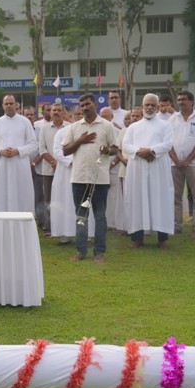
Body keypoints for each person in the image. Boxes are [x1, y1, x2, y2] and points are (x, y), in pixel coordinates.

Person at [62, 93, 118, 263]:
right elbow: (65, 151)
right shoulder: (74, 127)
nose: (85, 107)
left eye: (88, 104)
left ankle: (99, 252)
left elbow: (115, 149)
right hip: (79, 178)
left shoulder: (107, 126)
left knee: (100, 216)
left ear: (95, 104)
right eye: (82, 105)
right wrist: (80, 140)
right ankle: (81, 251)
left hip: (99, 179)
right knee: (81, 216)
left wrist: (107, 150)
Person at [122, 94, 174, 249]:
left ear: (157, 107)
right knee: (137, 200)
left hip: (158, 168)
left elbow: (168, 144)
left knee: (160, 200)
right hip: (137, 168)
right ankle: (137, 238)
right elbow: (126, 145)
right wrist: (141, 152)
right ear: (142, 106)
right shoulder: (133, 127)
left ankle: (162, 239)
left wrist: (151, 151)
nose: (150, 108)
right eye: (147, 105)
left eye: (153, 105)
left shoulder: (165, 125)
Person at [168, 90, 195, 237]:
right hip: (175, 165)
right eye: (179, 100)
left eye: (184, 99)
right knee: (175, 197)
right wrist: (176, 160)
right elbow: (167, 142)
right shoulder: (172, 119)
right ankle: (176, 226)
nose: (181, 102)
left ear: (191, 101)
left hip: (194, 164)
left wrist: (188, 160)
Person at [0, 94, 38, 212]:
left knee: (21, 194)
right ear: (2, 106)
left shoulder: (25, 122)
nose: (9, 106)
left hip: (20, 165)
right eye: (6, 104)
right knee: (1, 194)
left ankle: (22, 221)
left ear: (16, 105)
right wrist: (0, 151)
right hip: (1, 166)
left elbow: (33, 144)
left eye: (11, 103)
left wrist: (18, 151)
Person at [51, 106, 91, 245]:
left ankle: (87, 235)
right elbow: (57, 151)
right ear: (70, 115)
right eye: (77, 113)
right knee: (65, 201)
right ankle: (65, 234)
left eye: (82, 113)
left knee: (85, 202)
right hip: (65, 172)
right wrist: (73, 162)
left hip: (85, 172)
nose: (80, 116)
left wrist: (82, 162)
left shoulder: (91, 131)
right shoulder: (62, 132)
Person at [38, 103, 68, 236]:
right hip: (49, 170)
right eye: (53, 110)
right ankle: (49, 227)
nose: (56, 112)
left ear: (63, 112)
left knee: (65, 198)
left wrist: (61, 162)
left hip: (66, 169)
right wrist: (53, 162)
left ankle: (65, 226)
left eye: (59, 110)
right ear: (50, 113)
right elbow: (42, 149)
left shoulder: (70, 127)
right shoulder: (44, 129)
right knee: (49, 199)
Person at [24, 106, 46, 228]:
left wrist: (33, 163)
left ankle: (40, 221)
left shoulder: (40, 130)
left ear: (35, 116)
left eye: (31, 115)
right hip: (22, 168)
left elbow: (42, 149)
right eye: (26, 115)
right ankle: (26, 218)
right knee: (25, 194)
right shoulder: (20, 130)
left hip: (37, 167)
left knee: (39, 195)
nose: (29, 117)